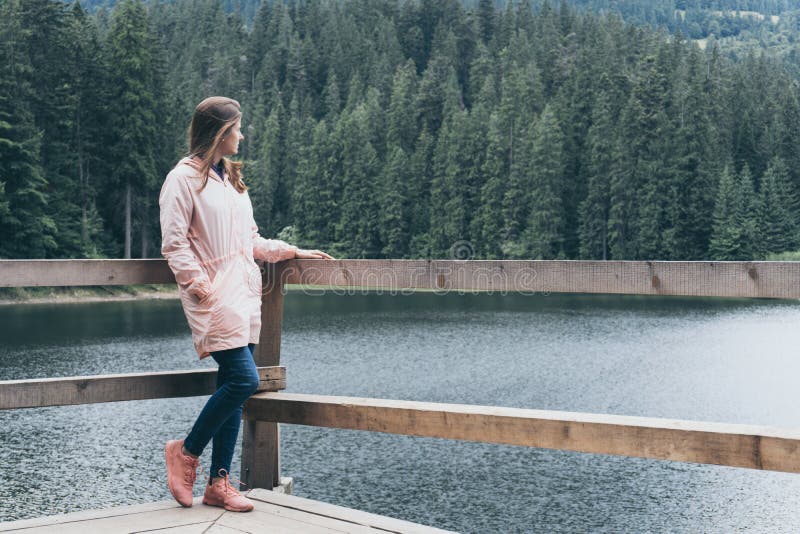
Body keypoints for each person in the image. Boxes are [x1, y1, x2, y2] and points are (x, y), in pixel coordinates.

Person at [159, 96, 332, 512]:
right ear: (219, 132)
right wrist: (198, 284)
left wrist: (292, 251)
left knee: (232, 391)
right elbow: (174, 242)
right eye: (237, 127)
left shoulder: (230, 181)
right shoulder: (182, 179)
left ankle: (219, 484)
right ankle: (185, 451)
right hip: (215, 294)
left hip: (245, 293)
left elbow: (249, 241)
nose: (242, 134)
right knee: (244, 380)